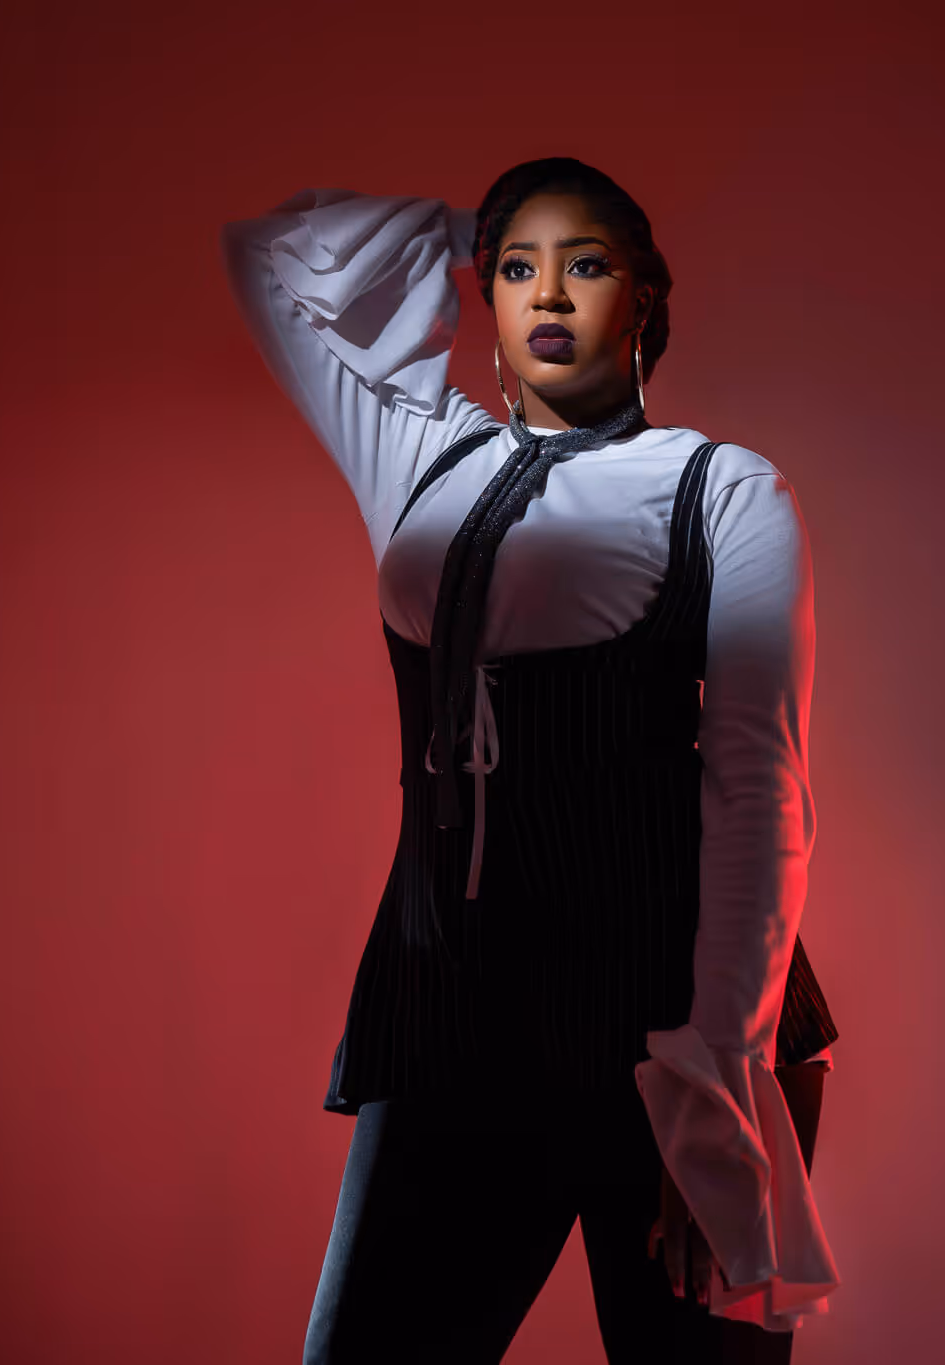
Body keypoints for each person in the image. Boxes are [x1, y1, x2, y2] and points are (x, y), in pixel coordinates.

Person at [220, 157, 841, 1364]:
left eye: (586, 264)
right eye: (517, 270)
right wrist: (478, 224)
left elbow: (759, 792)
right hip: (451, 1019)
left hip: (667, 1032)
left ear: (645, 301)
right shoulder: (414, 451)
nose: (547, 292)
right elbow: (268, 257)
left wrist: (713, 1088)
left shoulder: (723, 491)